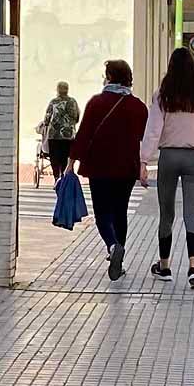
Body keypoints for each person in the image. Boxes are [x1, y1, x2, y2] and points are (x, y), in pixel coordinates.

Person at [140, 48, 194, 290]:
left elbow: (153, 130)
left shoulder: (162, 94)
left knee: (166, 214)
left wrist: (143, 161)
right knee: (190, 214)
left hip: (168, 157)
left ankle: (164, 267)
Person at [69, 60, 149, 281]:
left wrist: (70, 163)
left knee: (102, 212)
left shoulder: (96, 103)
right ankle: (119, 259)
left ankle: (113, 246)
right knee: (120, 211)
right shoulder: (139, 107)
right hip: (126, 168)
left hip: (99, 166)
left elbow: (84, 133)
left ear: (110, 77)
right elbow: (144, 136)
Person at [39, 82, 80, 182]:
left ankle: (57, 178)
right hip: (68, 135)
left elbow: (47, 118)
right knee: (66, 156)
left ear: (57, 90)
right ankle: (65, 176)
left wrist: (45, 125)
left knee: (54, 157)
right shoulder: (73, 101)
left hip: (54, 135)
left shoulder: (53, 102)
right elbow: (77, 117)